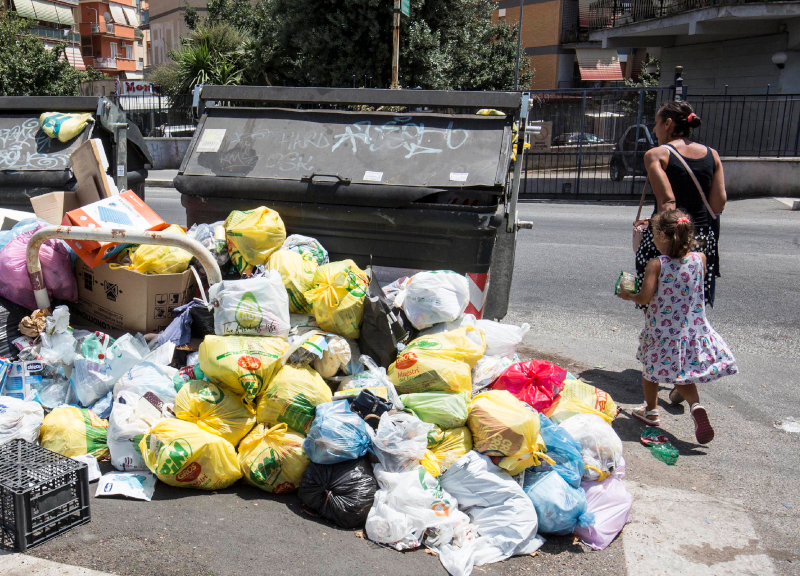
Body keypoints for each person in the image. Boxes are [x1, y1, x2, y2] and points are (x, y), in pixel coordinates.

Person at [618, 209, 737, 445]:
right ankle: (696, 406)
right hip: (691, 331)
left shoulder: (657, 264)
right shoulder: (699, 259)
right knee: (683, 374)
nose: (651, 238)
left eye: (653, 234)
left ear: (662, 236)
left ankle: (651, 411)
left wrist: (627, 294)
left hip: (661, 331)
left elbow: (644, 298)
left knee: (651, 370)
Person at [635, 101, 727, 309]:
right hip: (702, 239)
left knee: (660, 306)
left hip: (669, 238)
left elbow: (668, 204)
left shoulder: (656, 154)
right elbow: (718, 204)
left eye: (656, 123)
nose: (654, 129)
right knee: (691, 306)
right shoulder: (712, 155)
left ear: (668, 124)